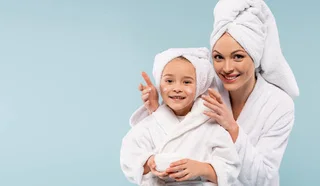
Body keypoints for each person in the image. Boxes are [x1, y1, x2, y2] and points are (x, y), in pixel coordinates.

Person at [132, 0, 299, 185]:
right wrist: (156, 109)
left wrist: (232, 129)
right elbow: (176, 138)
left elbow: (264, 179)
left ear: (255, 55)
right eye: (218, 57)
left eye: (238, 57)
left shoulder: (279, 105)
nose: (227, 68)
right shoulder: (206, 88)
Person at [121, 48, 240, 186]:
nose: (177, 88)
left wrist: (202, 168)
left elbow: (231, 168)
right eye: (169, 81)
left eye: (187, 82)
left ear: (200, 86)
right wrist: (149, 162)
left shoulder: (211, 125)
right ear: (160, 84)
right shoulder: (150, 125)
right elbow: (129, 157)